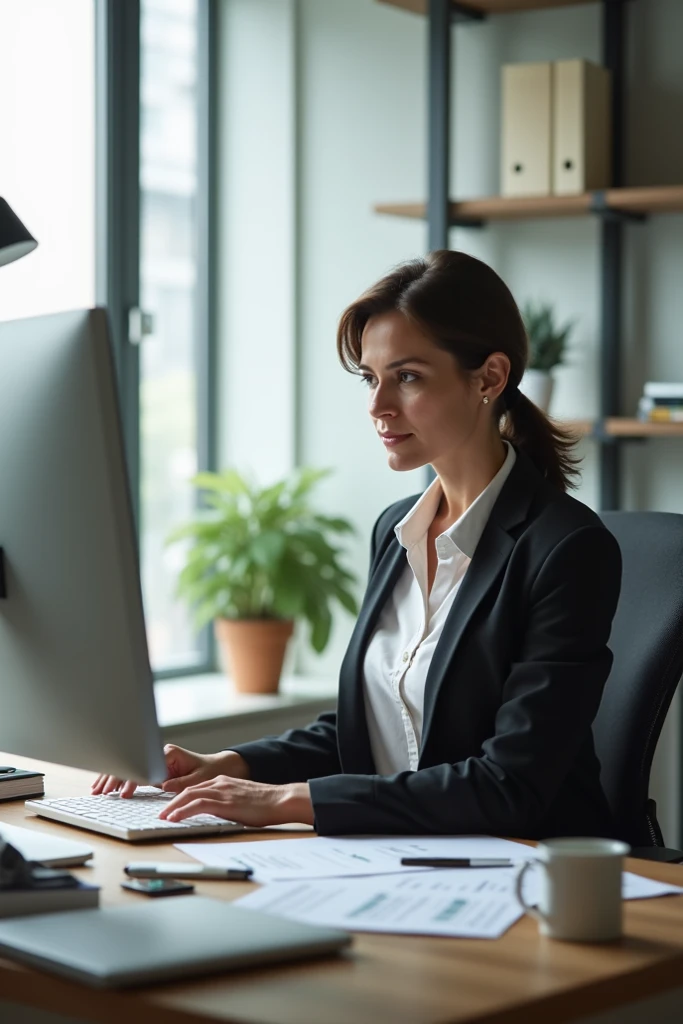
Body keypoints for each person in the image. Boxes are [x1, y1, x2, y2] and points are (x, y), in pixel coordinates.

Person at [93, 250, 622, 838]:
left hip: (531, 873)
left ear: (490, 378)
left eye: (409, 377)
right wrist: (232, 765)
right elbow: (370, 726)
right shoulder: (397, 530)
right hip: (398, 857)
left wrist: (288, 800)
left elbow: (509, 786)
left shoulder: (567, 549)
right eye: (371, 378)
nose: (377, 406)